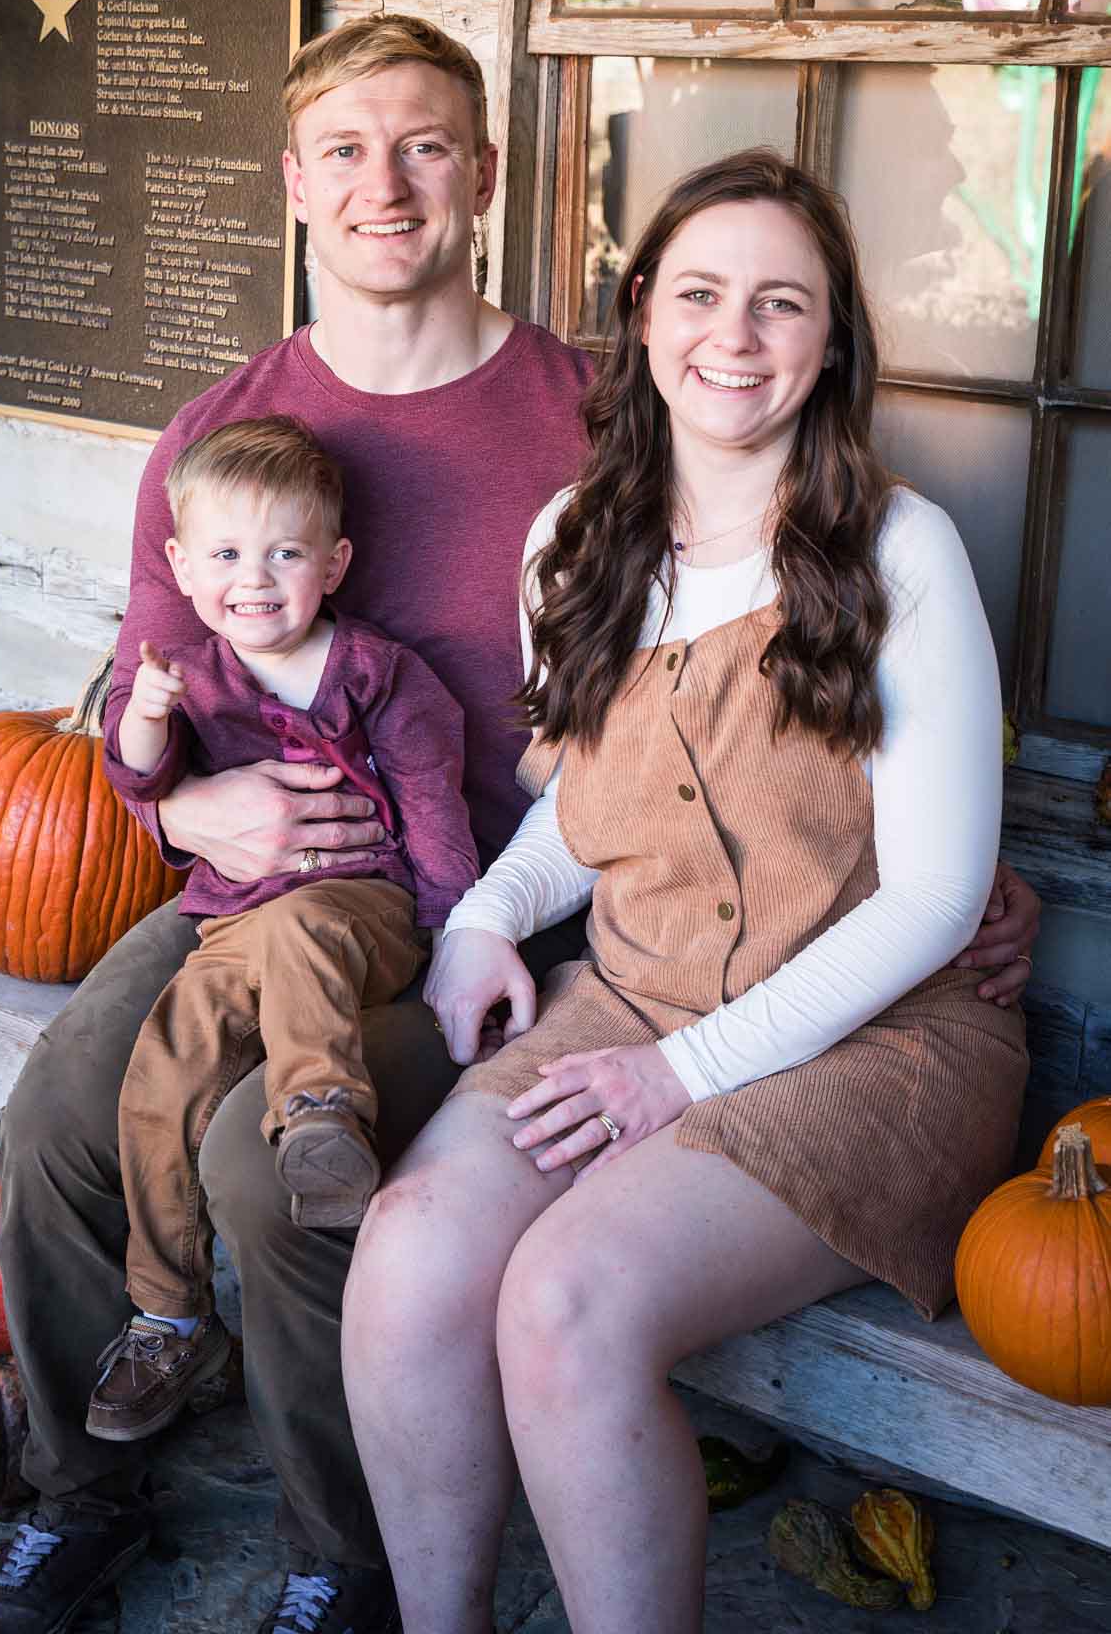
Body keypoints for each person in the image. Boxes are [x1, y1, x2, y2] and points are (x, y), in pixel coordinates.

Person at [0, 23, 1037, 1634]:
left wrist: (952, 876)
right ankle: (84, 1490)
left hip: (567, 924)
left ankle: (340, 1565)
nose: (386, 185)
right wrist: (184, 794)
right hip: (331, 893)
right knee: (70, 1113)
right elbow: (166, 688)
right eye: (344, 149)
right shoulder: (288, 447)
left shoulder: (611, 421)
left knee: (305, 1180)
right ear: (293, 183)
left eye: (427, 146)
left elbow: (833, 810)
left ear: (486, 175)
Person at [341, 150, 1034, 1634]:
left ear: (832, 337)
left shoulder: (896, 552)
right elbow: (577, 810)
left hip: (879, 1043)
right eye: (703, 293)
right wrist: (477, 922)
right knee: (410, 1255)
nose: (736, 334)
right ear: (642, 312)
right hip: (635, 998)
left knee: (567, 1300)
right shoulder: (574, 543)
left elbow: (935, 897)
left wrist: (683, 1074)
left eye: (781, 304)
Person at [87, 415, 478, 1448]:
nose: (252, 579)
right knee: (163, 1063)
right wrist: (146, 712)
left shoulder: (378, 674)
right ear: (180, 563)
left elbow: (432, 802)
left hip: (367, 913)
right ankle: (169, 1310)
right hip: (233, 926)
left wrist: (450, 934)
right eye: (223, 554)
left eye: (284, 553)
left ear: (334, 561)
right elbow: (139, 779)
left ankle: (320, 1119)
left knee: (307, 924)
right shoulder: (195, 676)